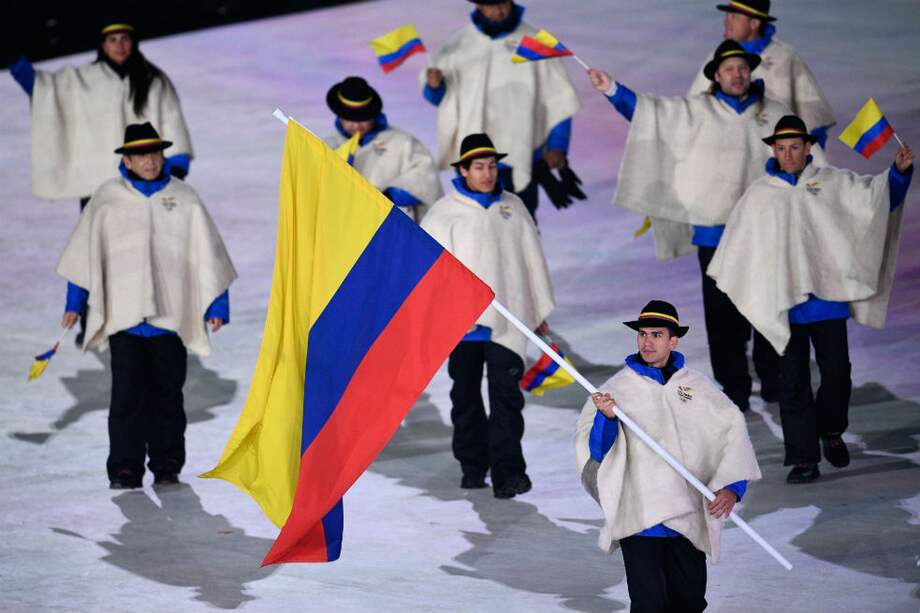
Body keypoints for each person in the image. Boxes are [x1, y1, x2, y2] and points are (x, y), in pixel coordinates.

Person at [588, 40, 821, 410]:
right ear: (715, 75)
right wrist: (613, 90)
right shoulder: (698, 110)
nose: (737, 74)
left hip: (767, 233)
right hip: (716, 233)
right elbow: (652, 113)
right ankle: (735, 388)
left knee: (769, 305)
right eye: (729, 69)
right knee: (723, 317)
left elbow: (809, 159)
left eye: (743, 68)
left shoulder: (775, 112)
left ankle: (773, 378)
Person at [707, 115, 914, 483]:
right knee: (793, 383)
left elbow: (876, 200)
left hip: (827, 300)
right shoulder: (759, 196)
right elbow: (739, 249)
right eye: (781, 148)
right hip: (785, 307)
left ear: (807, 147)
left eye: (794, 147)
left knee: (837, 374)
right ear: (774, 150)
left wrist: (897, 173)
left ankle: (831, 431)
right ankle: (804, 458)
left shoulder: (832, 182)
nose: (788, 154)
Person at [57, 122, 236, 490]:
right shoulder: (106, 198)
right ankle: (125, 467)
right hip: (125, 318)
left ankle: (167, 463)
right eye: (142, 155)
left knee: (168, 395)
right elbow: (84, 255)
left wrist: (217, 304)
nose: (151, 161)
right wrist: (75, 302)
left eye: (155, 153)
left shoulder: (183, 197)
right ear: (128, 159)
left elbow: (208, 252)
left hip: (168, 318)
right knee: (126, 396)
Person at [574, 300, 761, 613]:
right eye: (642, 334)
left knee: (689, 602)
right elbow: (597, 452)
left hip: (687, 514)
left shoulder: (697, 387)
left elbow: (730, 433)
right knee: (649, 605)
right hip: (641, 517)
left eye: (656, 334)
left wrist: (733, 487)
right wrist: (606, 418)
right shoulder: (616, 389)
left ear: (673, 341)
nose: (647, 341)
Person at [421, 133, 555, 498]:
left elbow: (531, 261)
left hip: (508, 321)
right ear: (463, 169)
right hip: (462, 325)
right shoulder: (443, 214)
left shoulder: (512, 208)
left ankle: (509, 473)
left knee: (506, 398)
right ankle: (473, 466)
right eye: (479, 166)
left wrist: (536, 309)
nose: (487, 173)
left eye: (492, 166)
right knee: (465, 397)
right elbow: (429, 273)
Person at [422, 0, 582, 220]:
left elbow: (558, 98)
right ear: (479, 5)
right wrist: (435, 86)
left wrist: (558, 145)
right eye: (491, 5)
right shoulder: (459, 45)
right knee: (474, 222)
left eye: (503, 3)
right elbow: (440, 99)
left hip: (522, 155)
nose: (499, 11)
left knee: (521, 222)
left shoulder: (534, 42)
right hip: (473, 156)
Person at [9, 20, 193, 206]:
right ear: (103, 45)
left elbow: (172, 123)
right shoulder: (82, 79)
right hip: (97, 187)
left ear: (133, 42)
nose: (119, 45)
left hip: (146, 185)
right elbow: (43, 90)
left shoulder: (153, 80)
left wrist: (176, 169)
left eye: (125, 39)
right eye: (112, 40)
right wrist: (15, 60)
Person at [686, 0, 835, 147]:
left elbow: (813, 118)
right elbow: (694, 112)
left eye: (734, 17)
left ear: (754, 23)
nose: (726, 22)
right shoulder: (716, 59)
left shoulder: (784, 57)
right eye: (727, 16)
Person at [324, 76, 443, 222]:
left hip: (391, 224)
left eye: (362, 119)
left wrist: (390, 196)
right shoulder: (328, 147)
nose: (356, 126)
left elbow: (425, 175)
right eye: (350, 120)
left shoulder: (402, 142)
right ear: (339, 117)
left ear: (373, 116)